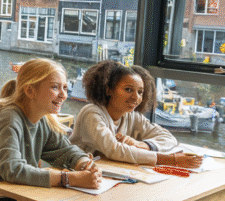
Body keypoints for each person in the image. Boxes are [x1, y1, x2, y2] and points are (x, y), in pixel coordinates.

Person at [0, 58, 100, 201]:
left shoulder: (43, 119)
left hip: (24, 195)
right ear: (30, 90)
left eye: (65, 87)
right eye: (55, 87)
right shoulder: (9, 118)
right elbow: (12, 169)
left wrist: (84, 164)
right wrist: (68, 178)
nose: (63, 94)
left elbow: (64, 150)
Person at [71, 60, 202, 168]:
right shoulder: (91, 113)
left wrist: (143, 145)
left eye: (140, 92)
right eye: (128, 90)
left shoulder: (131, 115)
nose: (136, 97)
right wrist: (171, 160)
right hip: (76, 177)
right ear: (109, 90)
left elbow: (169, 138)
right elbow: (114, 150)